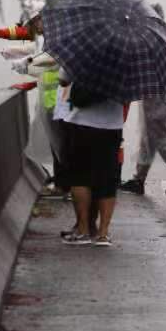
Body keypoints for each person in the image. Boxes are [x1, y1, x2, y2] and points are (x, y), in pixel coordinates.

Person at [121, 3, 166, 196]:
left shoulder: (150, 38)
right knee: (148, 140)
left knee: (160, 139)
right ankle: (139, 179)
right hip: (157, 94)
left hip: (154, 95)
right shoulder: (165, 36)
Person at [52, 73, 127, 246]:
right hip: (112, 124)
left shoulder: (82, 52)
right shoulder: (124, 56)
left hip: (81, 121)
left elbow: (64, 80)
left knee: (80, 176)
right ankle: (103, 234)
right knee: (108, 178)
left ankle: (83, 230)